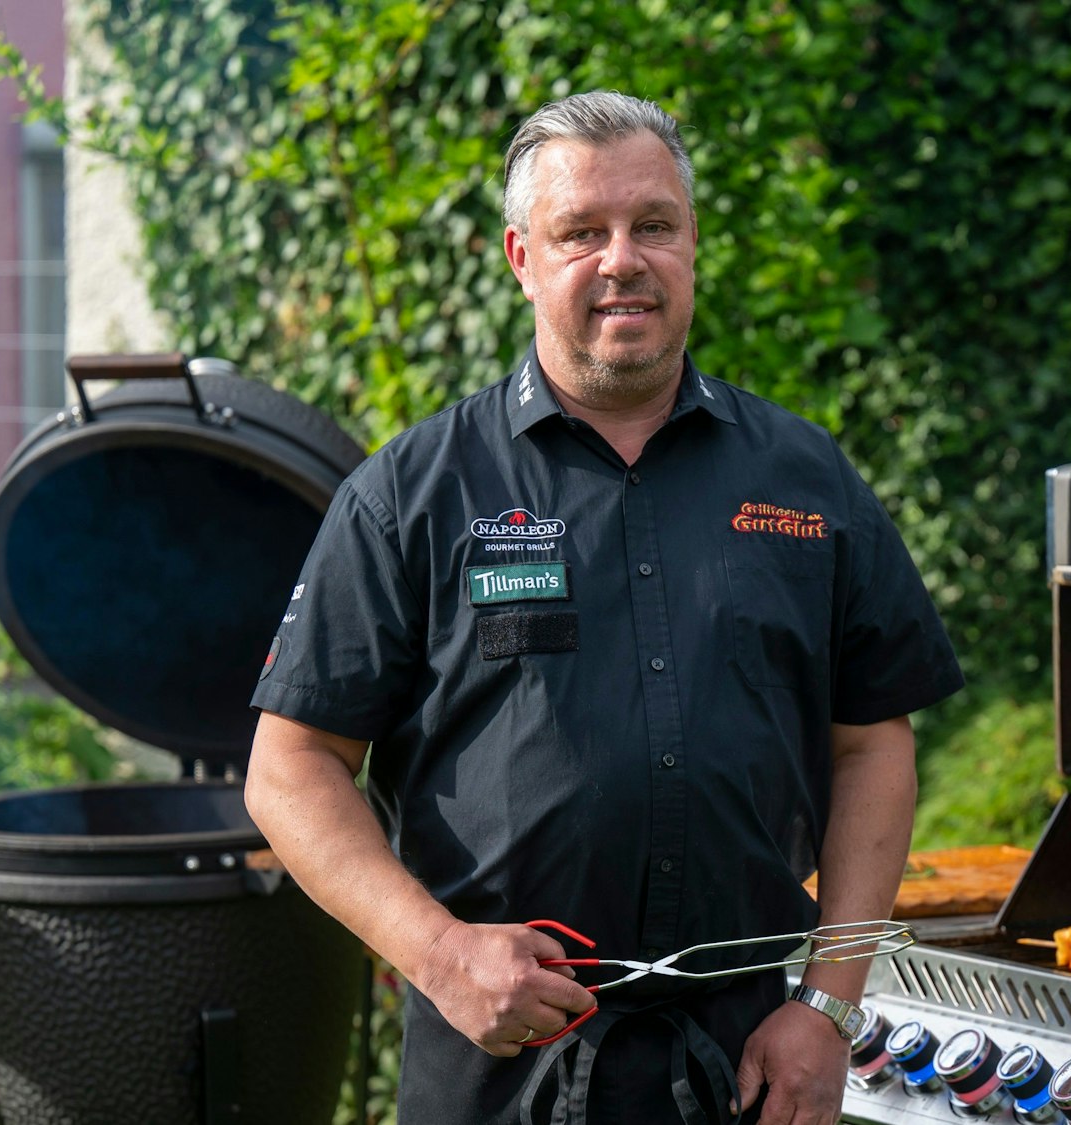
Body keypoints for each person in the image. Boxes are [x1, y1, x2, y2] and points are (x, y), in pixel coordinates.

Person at [243, 90, 963, 1125]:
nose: (622, 260)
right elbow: (289, 768)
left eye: (652, 226)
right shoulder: (412, 492)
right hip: (499, 1067)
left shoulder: (806, 480)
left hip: (752, 1062)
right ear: (521, 259)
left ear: (691, 247)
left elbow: (871, 748)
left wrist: (829, 1008)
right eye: (581, 232)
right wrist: (437, 955)